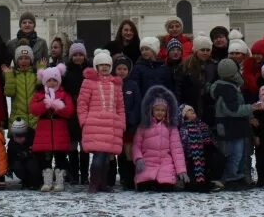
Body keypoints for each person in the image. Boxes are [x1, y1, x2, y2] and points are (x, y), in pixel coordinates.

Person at [77, 49, 125, 192]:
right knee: (98, 158)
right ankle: (94, 183)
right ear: (96, 66)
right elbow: (82, 104)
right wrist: (84, 121)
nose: (104, 67)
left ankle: (102, 184)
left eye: (107, 65)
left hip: (111, 126)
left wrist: (121, 123)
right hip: (94, 125)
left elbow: (120, 107)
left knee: (106, 160)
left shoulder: (116, 84)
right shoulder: (89, 82)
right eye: (101, 65)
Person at [209, 58, 255, 188]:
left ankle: (235, 176)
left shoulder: (223, 86)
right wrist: (252, 108)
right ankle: (230, 178)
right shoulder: (228, 89)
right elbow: (233, 110)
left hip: (230, 126)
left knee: (235, 153)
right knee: (235, 154)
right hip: (231, 126)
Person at [133, 85, 188, 192]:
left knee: (166, 188)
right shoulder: (144, 126)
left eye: (163, 110)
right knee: (144, 187)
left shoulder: (171, 128)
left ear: (167, 112)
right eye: (157, 109)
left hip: (165, 163)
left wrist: (181, 170)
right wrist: (138, 158)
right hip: (147, 162)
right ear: (151, 110)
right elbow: (136, 145)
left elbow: (177, 150)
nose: (160, 112)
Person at [30, 64, 76, 192]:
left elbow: (70, 110)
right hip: (44, 130)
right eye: (49, 80)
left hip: (60, 129)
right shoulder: (40, 95)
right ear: (45, 81)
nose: (51, 82)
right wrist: (46, 104)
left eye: (54, 80)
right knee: (46, 158)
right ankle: (47, 181)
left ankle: (60, 181)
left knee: (60, 157)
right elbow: (33, 109)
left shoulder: (64, 94)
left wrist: (57, 107)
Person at [110, 56, 140, 190]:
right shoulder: (111, 84)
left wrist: (131, 118)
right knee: (116, 151)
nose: (122, 71)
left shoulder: (133, 85)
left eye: (124, 69)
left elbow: (137, 104)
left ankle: (129, 178)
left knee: (128, 151)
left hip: (129, 125)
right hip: (114, 125)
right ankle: (115, 176)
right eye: (119, 69)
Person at [63, 41, 91, 185]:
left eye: (81, 54)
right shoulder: (66, 72)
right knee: (72, 145)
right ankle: (74, 174)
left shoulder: (89, 71)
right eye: (75, 55)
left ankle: (85, 175)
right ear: (71, 56)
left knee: (84, 145)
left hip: (86, 111)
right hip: (71, 111)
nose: (78, 57)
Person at [178, 104, 222, 192]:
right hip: (191, 157)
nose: (191, 111)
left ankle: (207, 182)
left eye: (192, 110)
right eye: (188, 111)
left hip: (203, 154)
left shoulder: (202, 125)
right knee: (193, 176)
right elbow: (182, 144)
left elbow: (210, 138)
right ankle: (196, 184)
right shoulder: (183, 129)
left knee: (214, 160)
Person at [176, 35, 217, 126]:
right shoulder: (186, 65)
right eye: (202, 50)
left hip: (209, 107)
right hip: (190, 106)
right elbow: (178, 87)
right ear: (196, 50)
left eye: (208, 50)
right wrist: (181, 106)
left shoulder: (214, 65)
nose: (205, 52)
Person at [4, 44, 40, 132]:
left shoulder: (34, 75)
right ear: (17, 61)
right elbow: (9, 93)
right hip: (18, 117)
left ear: (31, 60)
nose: (24, 61)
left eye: (27, 58)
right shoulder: (14, 76)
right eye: (20, 58)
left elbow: (41, 86)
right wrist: (9, 76)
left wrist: (41, 70)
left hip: (35, 117)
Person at [7, 118, 42, 190]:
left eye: (21, 136)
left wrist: (28, 154)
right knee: (17, 166)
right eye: (16, 136)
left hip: (32, 162)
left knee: (32, 164)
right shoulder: (12, 144)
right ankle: (25, 181)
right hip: (19, 163)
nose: (19, 139)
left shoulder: (33, 139)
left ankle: (36, 182)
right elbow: (10, 157)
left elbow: (40, 155)